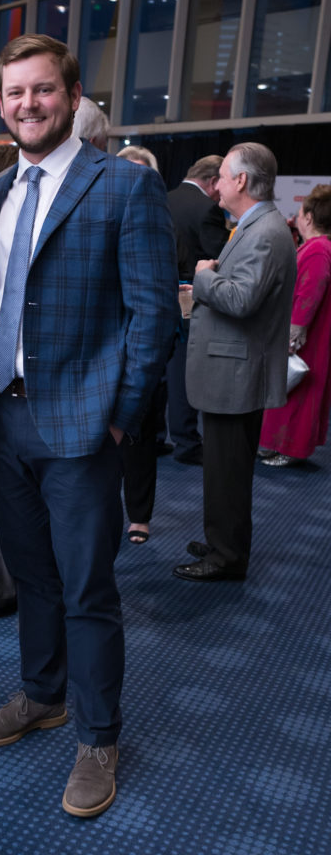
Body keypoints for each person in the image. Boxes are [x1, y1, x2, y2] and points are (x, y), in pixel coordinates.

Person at [0, 34, 178, 818]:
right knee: (33, 578)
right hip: (3, 422)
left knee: (88, 588)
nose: (27, 104)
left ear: (74, 94)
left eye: (42, 90)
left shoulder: (121, 187)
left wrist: (120, 421)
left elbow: (153, 317)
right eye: (14, 92)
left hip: (85, 430)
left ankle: (98, 736)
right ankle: (41, 696)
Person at [173, 143, 296, 583]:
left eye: (223, 176)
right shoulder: (256, 225)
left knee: (228, 470)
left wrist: (204, 277)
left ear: (241, 181)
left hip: (237, 372)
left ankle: (225, 557)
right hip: (233, 369)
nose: (217, 186)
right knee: (226, 468)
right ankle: (222, 541)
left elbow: (241, 299)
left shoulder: (263, 231)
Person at [115, 145, 167, 546]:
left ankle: (139, 516)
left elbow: (157, 305)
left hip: (143, 357)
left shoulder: (157, 217)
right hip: (99, 357)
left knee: (141, 439)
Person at [259, 184, 331, 466]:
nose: (296, 216)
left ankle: (287, 448)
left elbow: (308, 293)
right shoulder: (317, 247)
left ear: (310, 217)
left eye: (300, 212)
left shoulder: (316, 250)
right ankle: (277, 445)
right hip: (309, 335)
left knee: (295, 394)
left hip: (305, 338)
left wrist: (294, 332)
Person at [165, 156, 228, 465]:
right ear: (212, 181)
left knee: (160, 372)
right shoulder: (208, 210)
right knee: (182, 372)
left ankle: (155, 436)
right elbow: (222, 260)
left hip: (159, 293)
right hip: (190, 299)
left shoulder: (164, 199)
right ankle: (187, 442)